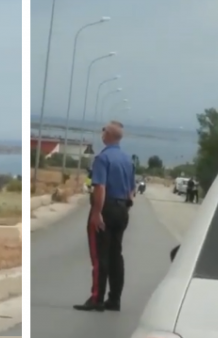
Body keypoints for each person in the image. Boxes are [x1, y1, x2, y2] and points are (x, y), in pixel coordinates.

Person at [74, 121, 135, 313]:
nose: (101, 133)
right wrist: (124, 208)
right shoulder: (127, 160)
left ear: (107, 135)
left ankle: (96, 299)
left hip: (106, 207)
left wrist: (97, 212)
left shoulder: (103, 158)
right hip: (122, 209)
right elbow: (132, 191)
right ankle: (114, 299)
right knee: (116, 254)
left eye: (103, 130)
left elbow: (100, 187)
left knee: (100, 255)